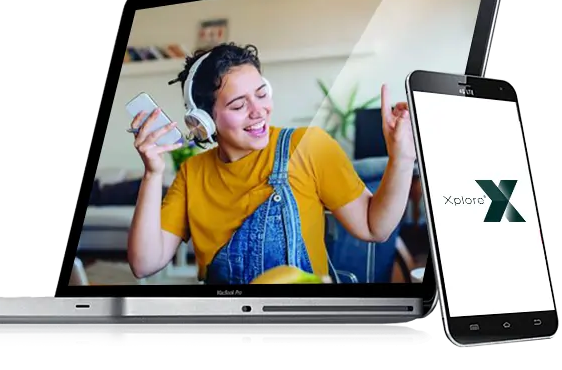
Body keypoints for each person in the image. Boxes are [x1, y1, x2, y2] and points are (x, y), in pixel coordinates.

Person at [126, 42, 416, 285]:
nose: (258, 111)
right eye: (239, 105)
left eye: (262, 94)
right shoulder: (192, 174)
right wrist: (153, 173)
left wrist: (402, 156)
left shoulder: (307, 146)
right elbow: (144, 264)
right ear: (203, 121)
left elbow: (374, 228)